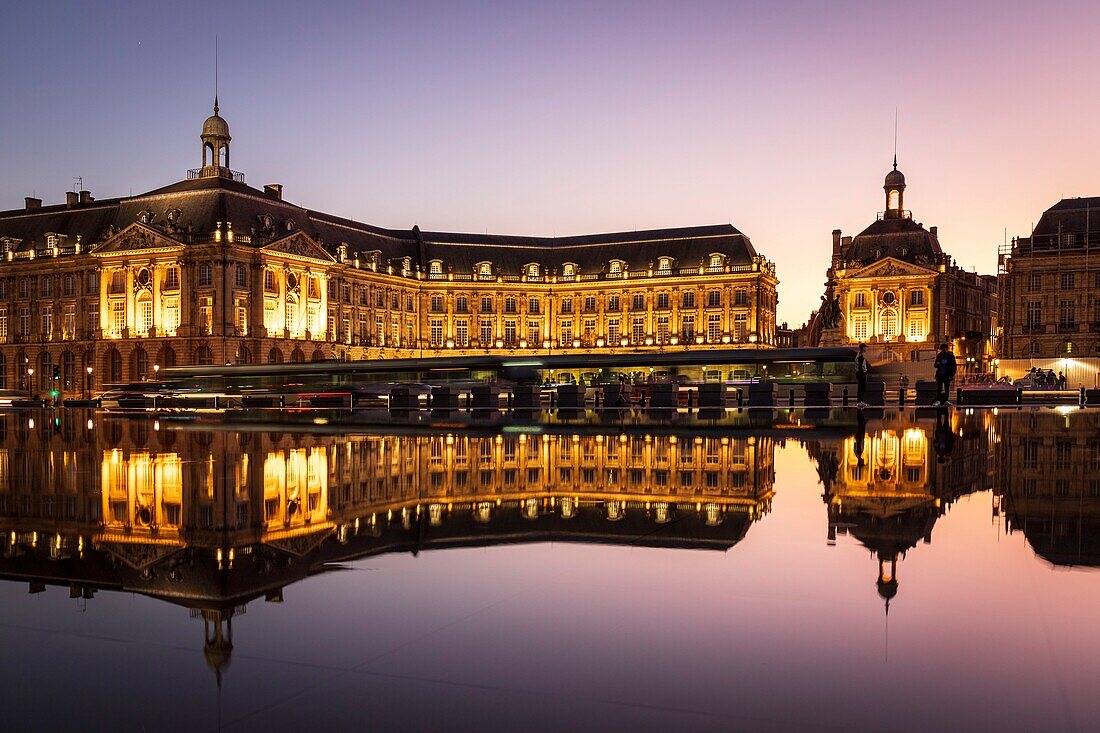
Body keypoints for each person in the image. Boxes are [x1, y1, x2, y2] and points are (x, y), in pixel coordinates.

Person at [854, 343, 870, 408]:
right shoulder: (860, 356)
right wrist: (863, 373)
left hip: (861, 373)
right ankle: (859, 402)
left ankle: (861, 401)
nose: (866, 348)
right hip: (861, 373)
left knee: (863, 388)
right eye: (865, 347)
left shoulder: (860, 355)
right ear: (863, 348)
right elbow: (860, 366)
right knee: (861, 388)